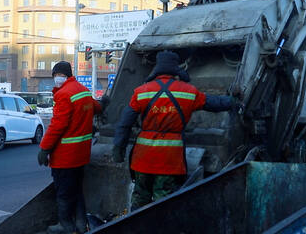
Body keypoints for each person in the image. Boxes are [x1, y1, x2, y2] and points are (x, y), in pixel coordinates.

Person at [113, 51, 235, 210]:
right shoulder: (189, 92)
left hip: (142, 158)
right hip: (169, 160)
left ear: (157, 68)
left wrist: (118, 149)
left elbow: (124, 123)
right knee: (163, 205)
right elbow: (215, 103)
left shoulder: (141, 92)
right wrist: (233, 101)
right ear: (175, 68)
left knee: (139, 201)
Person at [38, 61, 102, 234]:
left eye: (56, 75)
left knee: (64, 191)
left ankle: (65, 225)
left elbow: (58, 125)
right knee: (76, 189)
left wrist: (44, 148)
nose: (55, 79)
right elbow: (96, 107)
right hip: (81, 154)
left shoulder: (64, 94)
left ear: (63, 75)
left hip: (65, 156)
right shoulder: (83, 91)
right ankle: (81, 224)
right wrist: (104, 103)